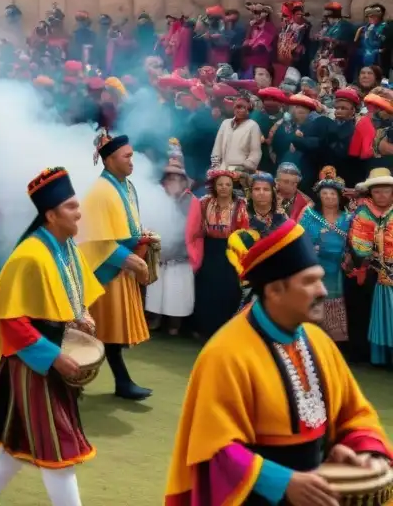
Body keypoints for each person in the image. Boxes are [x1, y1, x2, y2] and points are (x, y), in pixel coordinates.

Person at [164, 218, 392, 506]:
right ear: (274, 290)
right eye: (309, 281)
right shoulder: (225, 354)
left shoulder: (319, 342)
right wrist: (283, 481)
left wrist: (364, 450)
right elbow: (214, 448)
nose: (322, 290)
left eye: (320, 278)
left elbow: (354, 413)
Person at [0, 167, 102, 506]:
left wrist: (82, 315)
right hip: (33, 363)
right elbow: (10, 323)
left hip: (52, 355)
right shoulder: (28, 256)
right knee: (59, 448)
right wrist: (53, 357)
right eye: (70, 207)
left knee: (26, 437)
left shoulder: (67, 248)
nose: (78, 211)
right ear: (51, 215)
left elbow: (74, 295)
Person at [78, 129, 152, 400]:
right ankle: (73, 379)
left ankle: (119, 382)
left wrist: (142, 239)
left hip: (118, 267)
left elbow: (125, 227)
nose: (132, 161)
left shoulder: (126, 186)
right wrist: (131, 260)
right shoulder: (101, 191)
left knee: (106, 333)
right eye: (127, 156)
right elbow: (96, 240)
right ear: (110, 160)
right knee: (92, 330)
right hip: (103, 269)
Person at [187, 167, 249, 341]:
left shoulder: (240, 205)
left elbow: (243, 232)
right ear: (214, 186)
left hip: (231, 249)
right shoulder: (204, 202)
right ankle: (204, 329)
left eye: (227, 184)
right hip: (210, 248)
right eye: (220, 184)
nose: (223, 187)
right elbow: (196, 227)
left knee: (228, 288)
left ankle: (224, 330)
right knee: (207, 288)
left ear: (232, 186)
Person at [146, 142, 196, 336]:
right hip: (159, 253)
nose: (173, 181)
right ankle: (155, 319)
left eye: (177, 178)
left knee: (177, 294)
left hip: (180, 256)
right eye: (169, 178)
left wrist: (174, 249)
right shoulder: (157, 198)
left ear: (184, 180)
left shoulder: (191, 201)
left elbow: (191, 231)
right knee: (156, 293)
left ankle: (174, 325)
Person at [298, 166, 351, 343]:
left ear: (339, 197)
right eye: (325, 193)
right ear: (319, 196)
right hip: (315, 266)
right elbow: (301, 240)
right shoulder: (310, 216)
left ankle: (336, 342)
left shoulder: (349, 218)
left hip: (339, 269)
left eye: (332, 194)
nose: (328, 197)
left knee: (338, 300)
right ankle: (312, 339)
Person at [347, 167, 393, 367]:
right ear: (370, 192)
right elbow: (359, 246)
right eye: (377, 191)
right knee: (368, 313)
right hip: (372, 273)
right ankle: (375, 356)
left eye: (386, 190)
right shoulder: (362, 213)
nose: (381, 195)